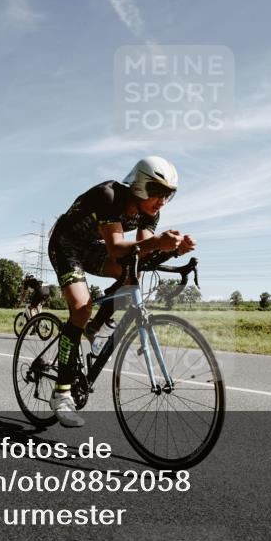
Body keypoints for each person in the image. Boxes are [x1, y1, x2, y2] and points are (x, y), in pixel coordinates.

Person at [46, 156, 196, 428]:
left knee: (134, 273)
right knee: (81, 307)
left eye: (168, 195)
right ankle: (62, 393)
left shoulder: (151, 212)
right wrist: (159, 243)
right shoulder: (109, 196)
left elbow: (143, 250)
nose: (161, 201)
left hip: (92, 246)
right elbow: (116, 248)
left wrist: (172, 250)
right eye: (157, 192)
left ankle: (96, 328)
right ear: (139, 186)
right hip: (66, 244)